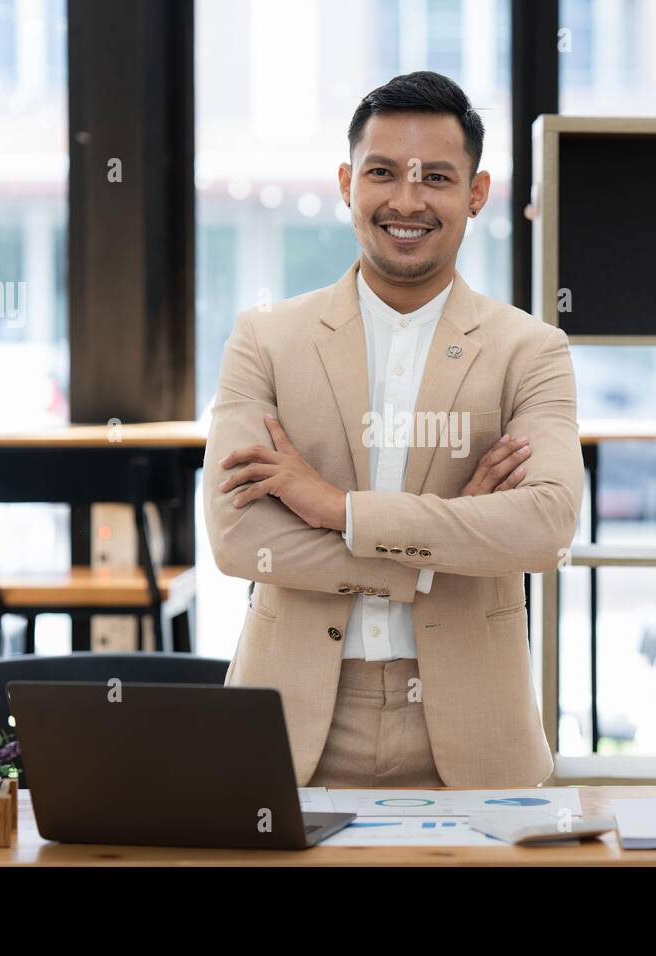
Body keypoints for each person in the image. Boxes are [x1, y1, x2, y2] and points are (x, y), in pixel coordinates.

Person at [202, 70, 583, 788]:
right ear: (348, 182)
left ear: (476, 192)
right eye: (382, 173)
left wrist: (336, 510)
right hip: (288, 729)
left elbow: (545, 527)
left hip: (476, 734)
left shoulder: (530, 350)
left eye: (435, 177)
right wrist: (444, 547)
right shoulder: (266, 339)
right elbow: (237, 536)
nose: (406, 201)